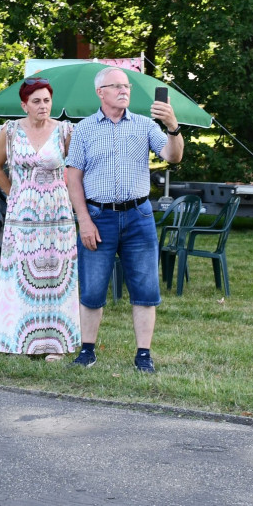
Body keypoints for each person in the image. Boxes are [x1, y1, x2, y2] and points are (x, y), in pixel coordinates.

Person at [65, 67, 184, 374]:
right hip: (98, 217)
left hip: (138, 217)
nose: (123, 90)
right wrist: (84, 221)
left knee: (145, 289)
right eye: (115, 86)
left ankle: (144, 355)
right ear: (100, 92)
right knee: (92, 288)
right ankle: (87, 351)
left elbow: (173, 156)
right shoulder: (84, 129)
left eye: (126, 86)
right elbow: (73, 177)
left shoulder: (145, 125)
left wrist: (173, 127)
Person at [0, 77, 80, 360]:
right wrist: (13, 194)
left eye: (47, 100)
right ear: (24, 105)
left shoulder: (65, 131)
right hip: (22, 217)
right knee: (20, 276)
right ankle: (17, 340)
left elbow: (76, 170)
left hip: (58, 216)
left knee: (57, 277)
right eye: (36, 101)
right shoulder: (11, 131)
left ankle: (56, 345)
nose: (43, 106)